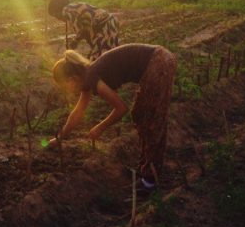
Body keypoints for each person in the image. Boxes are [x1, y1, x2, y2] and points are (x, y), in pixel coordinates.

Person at [47, 44, 177, 190]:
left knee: (152, 120)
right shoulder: (88, 78)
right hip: (159, 60)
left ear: (72, 79)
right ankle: (147, 167)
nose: (67, 91)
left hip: (159, 61)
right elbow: (77, 112)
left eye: (65, 86)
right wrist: (60, 137)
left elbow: (121, 109)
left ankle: (150, 179)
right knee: (140, 115)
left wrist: (100, 128)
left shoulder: (92, 77)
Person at [47, 0, 119, 60]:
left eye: (55, 15)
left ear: (58, 9)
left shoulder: (67, 10)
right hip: (110, 22)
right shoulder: (76, 7)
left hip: (104, 25)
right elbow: (87, 32)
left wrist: (75, 41)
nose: (57, 18)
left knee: (99, 59)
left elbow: (84, 29)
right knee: (109, 54)